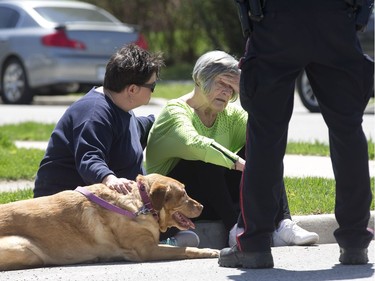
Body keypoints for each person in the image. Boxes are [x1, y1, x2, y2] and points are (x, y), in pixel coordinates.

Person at [219, 0, 374, 268]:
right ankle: (354, 243)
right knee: (348, 130)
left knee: (265, 135)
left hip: (277, 19)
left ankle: (254, 245)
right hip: (336, 19)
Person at [146, 50, 318, 247]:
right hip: (173, 203)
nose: (227, 93)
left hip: (213, 200)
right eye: (222, 83)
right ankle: (234, 230)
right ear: (201, 79)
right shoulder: (175, 111)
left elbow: (268, 132)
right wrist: (240, 164)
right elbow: (194, 143)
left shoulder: (229, 115)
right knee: (205, 157)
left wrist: (247, 94)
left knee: (260, 148)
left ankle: (282, 223)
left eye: (232, 88)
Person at [33, 44, 163, 197]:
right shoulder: (94, 113)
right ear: (132, 89)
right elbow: (90, 156)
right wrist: (108, 178)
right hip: (65, 207)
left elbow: (137, 129)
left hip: (101, 205)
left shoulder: (118, 107)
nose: (153, 90)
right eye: (152, 85)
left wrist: (174, 115)